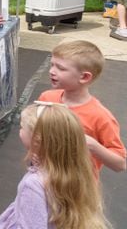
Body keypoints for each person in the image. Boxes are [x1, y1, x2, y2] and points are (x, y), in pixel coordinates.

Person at [0, 102, 110, 229]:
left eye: (21, 127)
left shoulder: (33, 185)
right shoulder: (76, 173)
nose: (20, 130)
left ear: (37, 140)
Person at [37, 40, 126, 174]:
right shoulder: (46, 98)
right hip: (44, 176)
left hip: (77, 188)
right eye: (52, 65)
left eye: (60, 68)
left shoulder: (100, 116)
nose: (51, 71)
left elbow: (120, 164)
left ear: (84, 77)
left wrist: (93, 146)